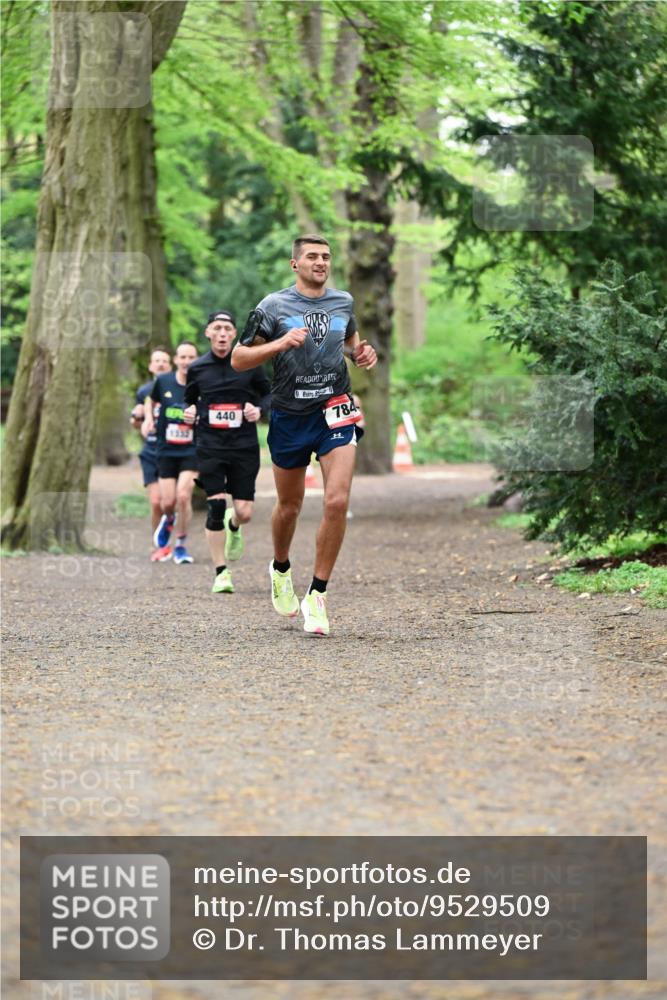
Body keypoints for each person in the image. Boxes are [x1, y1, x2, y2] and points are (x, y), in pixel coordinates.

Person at [232, 234, 377, 635]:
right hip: (289, 415)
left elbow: (350, 344)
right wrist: (279, 343)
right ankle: (280, 567)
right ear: (295, 264)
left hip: (334, 409)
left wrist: (361, 354)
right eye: (312, 256)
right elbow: (240, 358)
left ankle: (317, 594)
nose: (321, 262)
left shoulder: (343, 302)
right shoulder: (272, 306)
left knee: (337, 500)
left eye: (326, 256)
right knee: (290, 506)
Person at [182, 311, 271, 594]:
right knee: (216, 506)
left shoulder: (250, 363)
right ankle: (221, 572)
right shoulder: (197, 368)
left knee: (244, 512)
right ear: (208, 333)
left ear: (234, 334)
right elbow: (189, 400)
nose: (222, 333)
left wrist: (259, 410)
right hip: (210, 445)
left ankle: (234, 525)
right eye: (217, 328)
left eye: (227, 329)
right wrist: (189, 410)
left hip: (243, 446)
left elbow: (270, 395)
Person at [142, 341, 199, 565]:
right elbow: (151, 400)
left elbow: (210, 407)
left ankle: (181, 545)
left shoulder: (202, 383)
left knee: (183, 496)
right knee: (167, 503)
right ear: (176, 360)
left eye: (191, 357)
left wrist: (199, 416)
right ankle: (168, 520)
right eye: (182, 357)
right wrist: (148, 418)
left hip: (191, 449)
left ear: (196, 360)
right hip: (166, 450)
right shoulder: (164, 381)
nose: (186, 361)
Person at [130, 346, 172, 560]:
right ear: (150, 366)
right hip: (150, 452)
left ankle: (174, 540)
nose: (161, 364)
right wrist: (137, 417)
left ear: (170, 365)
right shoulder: (143, 391)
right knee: (156, 502)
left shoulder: (178, 387)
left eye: (164, 361)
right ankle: (159, 545)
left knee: (169, 502)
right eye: (157, 361)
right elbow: (136, 424)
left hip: (173, 451)